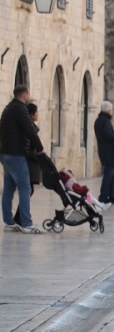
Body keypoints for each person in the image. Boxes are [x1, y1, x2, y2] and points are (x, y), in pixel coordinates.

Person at [1, 85, 46, 234]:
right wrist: (40, 148)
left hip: (5, 154)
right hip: (17, 154)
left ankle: (9, 222)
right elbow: (30, 130)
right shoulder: (21, 109)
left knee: (8, 190)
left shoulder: (7, 109)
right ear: (25, 95)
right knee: (25, 188)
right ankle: (27, 223)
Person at [13, 103, 44, 228]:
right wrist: (37, 155)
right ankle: (20, 218)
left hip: (30, 162)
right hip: (29, 162)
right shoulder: (28, 129)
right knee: (27, 190)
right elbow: (28, 147)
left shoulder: (30, 127)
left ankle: (18, 217)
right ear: (31, 114)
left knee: (28, 190)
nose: (38, 115)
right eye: (36, 112)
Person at [94, 101, 114, 204]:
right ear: (109, 110)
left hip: (104, 150)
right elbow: (107, 134)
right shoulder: (105, 121)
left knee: (111, 173)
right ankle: (103, 196)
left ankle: (112, 194)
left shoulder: (99, 120)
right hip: (108, 150)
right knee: (108, 174)